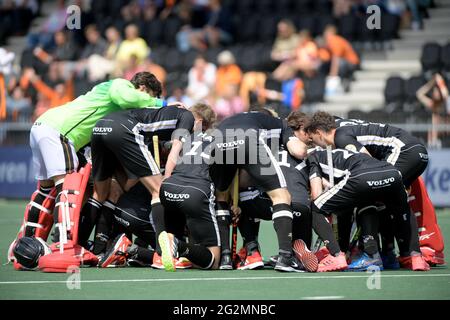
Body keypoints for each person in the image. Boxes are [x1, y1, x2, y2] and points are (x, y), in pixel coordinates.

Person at [10, 72, 171, 257]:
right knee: (68, 189)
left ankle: (23, 245)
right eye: (150, 97)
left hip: (42, 126)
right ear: (143, 89)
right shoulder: (120, 85)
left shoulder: (110, 98)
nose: (148, 104)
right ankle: (64, 246)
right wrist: (162, 104)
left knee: (45, 191)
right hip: (59, 132)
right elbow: (126, 97)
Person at [305, 111, 442, 268]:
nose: (315, 145)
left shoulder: (340, 136)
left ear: (319, 132)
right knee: (396, 200)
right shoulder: (348, 127)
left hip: (403, 151)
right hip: (417, 151)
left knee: (375, 194)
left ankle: (373, 254)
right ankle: (409, 256)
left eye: (313, 139)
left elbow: (367, 164)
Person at [81, 94, 194, 264]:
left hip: (100, 127)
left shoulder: (156, 115)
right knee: (159, 190)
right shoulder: (188, 117)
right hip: (124, 129)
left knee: (101, 193)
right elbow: (175, 149)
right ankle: (163, 254)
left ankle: (83, 248)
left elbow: (129, 180)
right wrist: (166, 180)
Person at [209, 111, 308, 272]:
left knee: (221, 195)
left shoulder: (234, 118)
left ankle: (225, 257)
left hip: (218, 140)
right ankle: (286, 257)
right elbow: (299, 151)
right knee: (281, 195)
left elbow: (243, 179)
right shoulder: (281, 124)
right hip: (248, 140)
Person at [306, 147, 429, 271]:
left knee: (317, 207)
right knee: (402, 209)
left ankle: (341, 255)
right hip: (391, 171)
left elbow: (317, 195)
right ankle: (410, 257)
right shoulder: (345, 151)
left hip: (362, 178)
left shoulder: (313, 158)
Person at [157, 103, 223, 271]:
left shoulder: (183, 138)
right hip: (195, 191)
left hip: (168, 189)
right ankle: (178, 245)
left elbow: (170, 154)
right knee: (214, 261)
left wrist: (165, 181)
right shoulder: (219, 139)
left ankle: (174, 244)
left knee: (180, 231)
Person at [416, 73, 449, 148]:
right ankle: (433, 142)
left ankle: (435, 141)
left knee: (436, 117)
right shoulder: (432, 104)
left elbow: (445, 93)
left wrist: (440, 81)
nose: (435, 93)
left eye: (437, 91)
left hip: (446, 127)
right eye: (434, 91)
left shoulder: (446, 102)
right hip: (438, 130)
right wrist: (431, 84)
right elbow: (419, 94)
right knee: (434, 117)